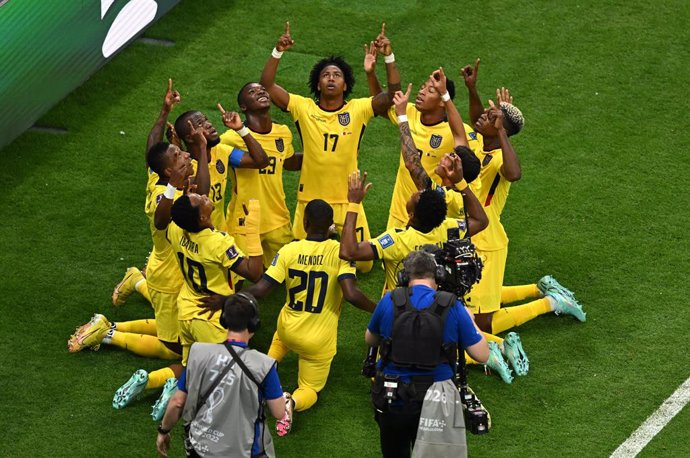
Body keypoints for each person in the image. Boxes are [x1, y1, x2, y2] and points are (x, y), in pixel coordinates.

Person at [199, 199, 375, 436]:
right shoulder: (339, 252)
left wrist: (226, 299)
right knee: (310, 389)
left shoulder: (289, 250)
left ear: (304, 223)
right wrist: (378, 309)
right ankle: (290, 402)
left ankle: (255, 377)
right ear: (330, 225)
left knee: (277, 346)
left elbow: (261, 289)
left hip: (287, 329)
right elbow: (351, 294)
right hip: (317, 339)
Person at [259, 22, 401, 272]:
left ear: (345, 85)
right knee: (302, 264)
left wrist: (388, 56)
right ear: (318, 85)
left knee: (365, 265)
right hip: (310, 197)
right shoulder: (303, 108)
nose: (331, 78)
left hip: (348, 197)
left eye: (337, 75)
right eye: (326, 75)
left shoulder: (358, 109)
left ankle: (334, 250)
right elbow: (268, 87)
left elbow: (392, 95)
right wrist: (277, 51)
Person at [458, 63, 585, 339]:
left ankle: (550, 302)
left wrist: (501, 129)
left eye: (490, 116)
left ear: (500, 128)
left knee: (482, 324)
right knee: (470, 299)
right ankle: (540, 287)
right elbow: (477, 117)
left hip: (487, 243)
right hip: (470, 233)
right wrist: (472, 89)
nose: (481, 117)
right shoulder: (480, 143)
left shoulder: (502, 158)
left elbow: (515, 174)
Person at [366, 250, 489, 458]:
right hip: (437, 399)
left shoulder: (389, 300)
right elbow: (482, 354)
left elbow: (370, 339)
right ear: (438, 275)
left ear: (404, 277)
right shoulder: (452, 306)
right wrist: (471, 320)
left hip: (392, 397)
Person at [155, 293, 286, 458]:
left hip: (200, 448)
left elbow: (177, 402)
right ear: (254, 324)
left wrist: (163, 431)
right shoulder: (263, 365)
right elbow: (279, 412)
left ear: (224, 320)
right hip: (244, 451)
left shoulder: (198, 353)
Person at [364, 50, 481, 230]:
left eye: (431, 90)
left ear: (441, 100)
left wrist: (446, 94)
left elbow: (464, 147)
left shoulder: (456, 131)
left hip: (426, 216)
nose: (422, 92)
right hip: (398, 212)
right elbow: (380, 105)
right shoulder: (408, 111)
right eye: (423, 87)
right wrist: (375, 70)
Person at [220, 82, 302, 268]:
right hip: (244, 219)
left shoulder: (283, 132)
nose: (260, 92)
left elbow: (288, 162)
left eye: (263, 90)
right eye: (252, 92)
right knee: (242, 275)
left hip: (277, 217)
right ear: (243, 106)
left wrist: (323, 156)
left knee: (287, 272)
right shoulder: (230, 138)